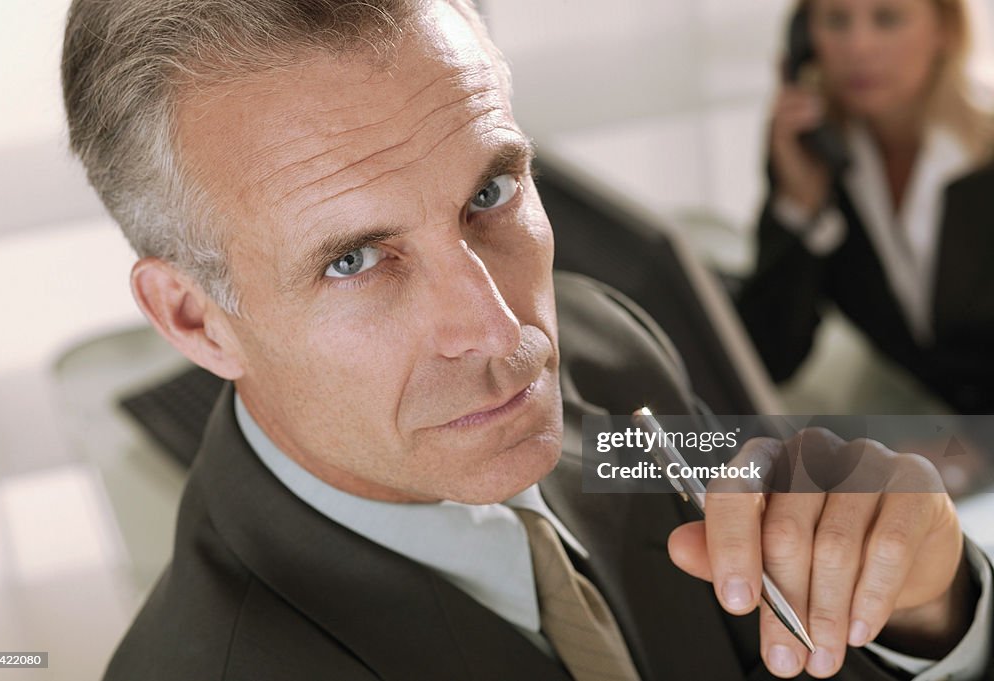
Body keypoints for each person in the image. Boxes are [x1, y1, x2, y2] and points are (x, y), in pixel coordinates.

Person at [61, 0, 993, 678]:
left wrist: (928, 612)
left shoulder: (605, 348)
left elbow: (783, 631)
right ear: (193, 317)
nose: (505, 333)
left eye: (489, 193)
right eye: (353, 259)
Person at [738, 0, 994, 414]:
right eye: (836, 20)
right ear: (805, 38)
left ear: (944, 29)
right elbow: (768, 357)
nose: (857, 48)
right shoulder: (817, 159)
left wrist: (973, 451)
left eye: (887, 18)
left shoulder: (985, 155)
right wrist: (801, 207)